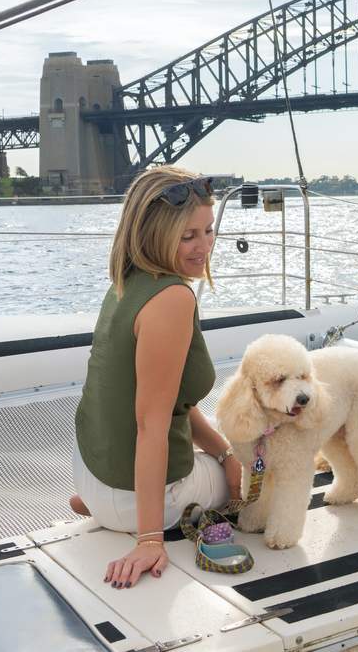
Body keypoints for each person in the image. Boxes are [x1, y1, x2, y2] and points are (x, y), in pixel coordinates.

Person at [71, 166, 244, 589]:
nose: (204, 246)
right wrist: (150, 540)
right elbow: (152, 425)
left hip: (92, 479)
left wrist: (223, 455)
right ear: (153, 234)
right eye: (188, 236)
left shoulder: (125, 283)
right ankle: (138, 519)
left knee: (232, 454)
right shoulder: (171, 299)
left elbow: (172, 406)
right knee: (264, 459)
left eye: (208, 230)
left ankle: (111, 510)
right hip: (141, 500)